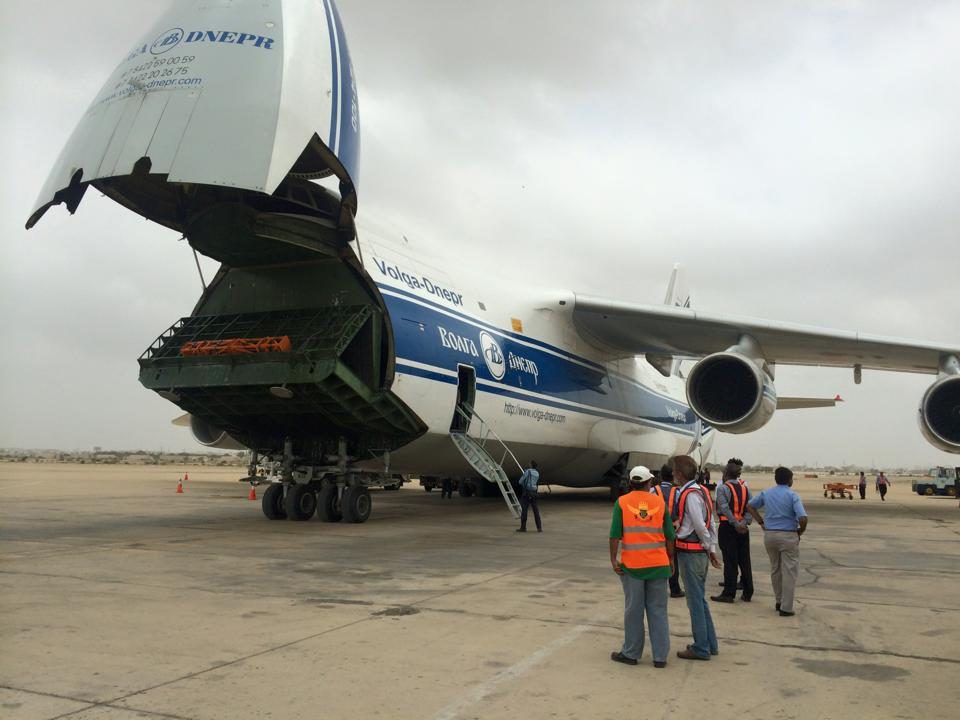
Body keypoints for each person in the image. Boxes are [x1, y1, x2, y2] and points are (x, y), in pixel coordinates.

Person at [609, 465, 675, 668]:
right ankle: (660, 657)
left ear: (631, 483)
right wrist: (671, 559)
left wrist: (613, 560)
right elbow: (670, 536)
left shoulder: (621, 502)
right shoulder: (660, 503)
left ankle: (631, 653)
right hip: (658, 564)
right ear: (649, 483)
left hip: (632, 567)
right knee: (658, 611)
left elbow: (615, 536)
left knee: (633, 611)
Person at [670, 454, 721, 661]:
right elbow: (711, 523)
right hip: (700, 551)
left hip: (690, 553)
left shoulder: (689, 494)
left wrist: (708, 546)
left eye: (674, 472)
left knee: (695, 602)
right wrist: (711, 548)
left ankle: (701, 648)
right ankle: (710, 644)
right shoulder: (702, 491)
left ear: (680, 475)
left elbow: (700, 525)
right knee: (700, 600)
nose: (672, 475)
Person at [746, 467, 808, 617]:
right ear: (789, 480)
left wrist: (761, 522)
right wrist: (800, 531)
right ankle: (786, 607)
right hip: (788, 535)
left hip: (770, 535)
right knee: (789, 571)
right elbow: (803, 518)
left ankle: (778, 600)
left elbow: (750, 505)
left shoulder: (767, 493)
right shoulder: (792, 495)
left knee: (775, 568)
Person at [711, 458, 753, 603]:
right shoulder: (745, 488)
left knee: (730, 561)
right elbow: (750, 507)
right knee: (744, 560)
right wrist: (744, 523)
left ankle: (729, 593)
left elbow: (724, 508)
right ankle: (748, 592)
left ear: (726, 473)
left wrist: (735, 524)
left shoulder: (723, 488)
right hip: (743, 529)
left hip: (728, 528)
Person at [649, 464, 684, 598]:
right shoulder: (678, 492)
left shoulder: (653, 490)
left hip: (655, 530)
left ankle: (654, 587)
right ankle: (675, 589)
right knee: (672, 558)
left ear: (660, 476)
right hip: (672, 530)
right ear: (673, 476)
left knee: (654, 558)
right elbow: (681, 511)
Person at [516, 460, 542, 532]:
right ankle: (539, 527)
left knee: (524, 510)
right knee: (536, 511)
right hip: (534, 493)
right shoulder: (537, 473)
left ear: (531, 465)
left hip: (527, 493)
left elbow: (520, 481)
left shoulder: (528, 472)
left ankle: (523, 527)